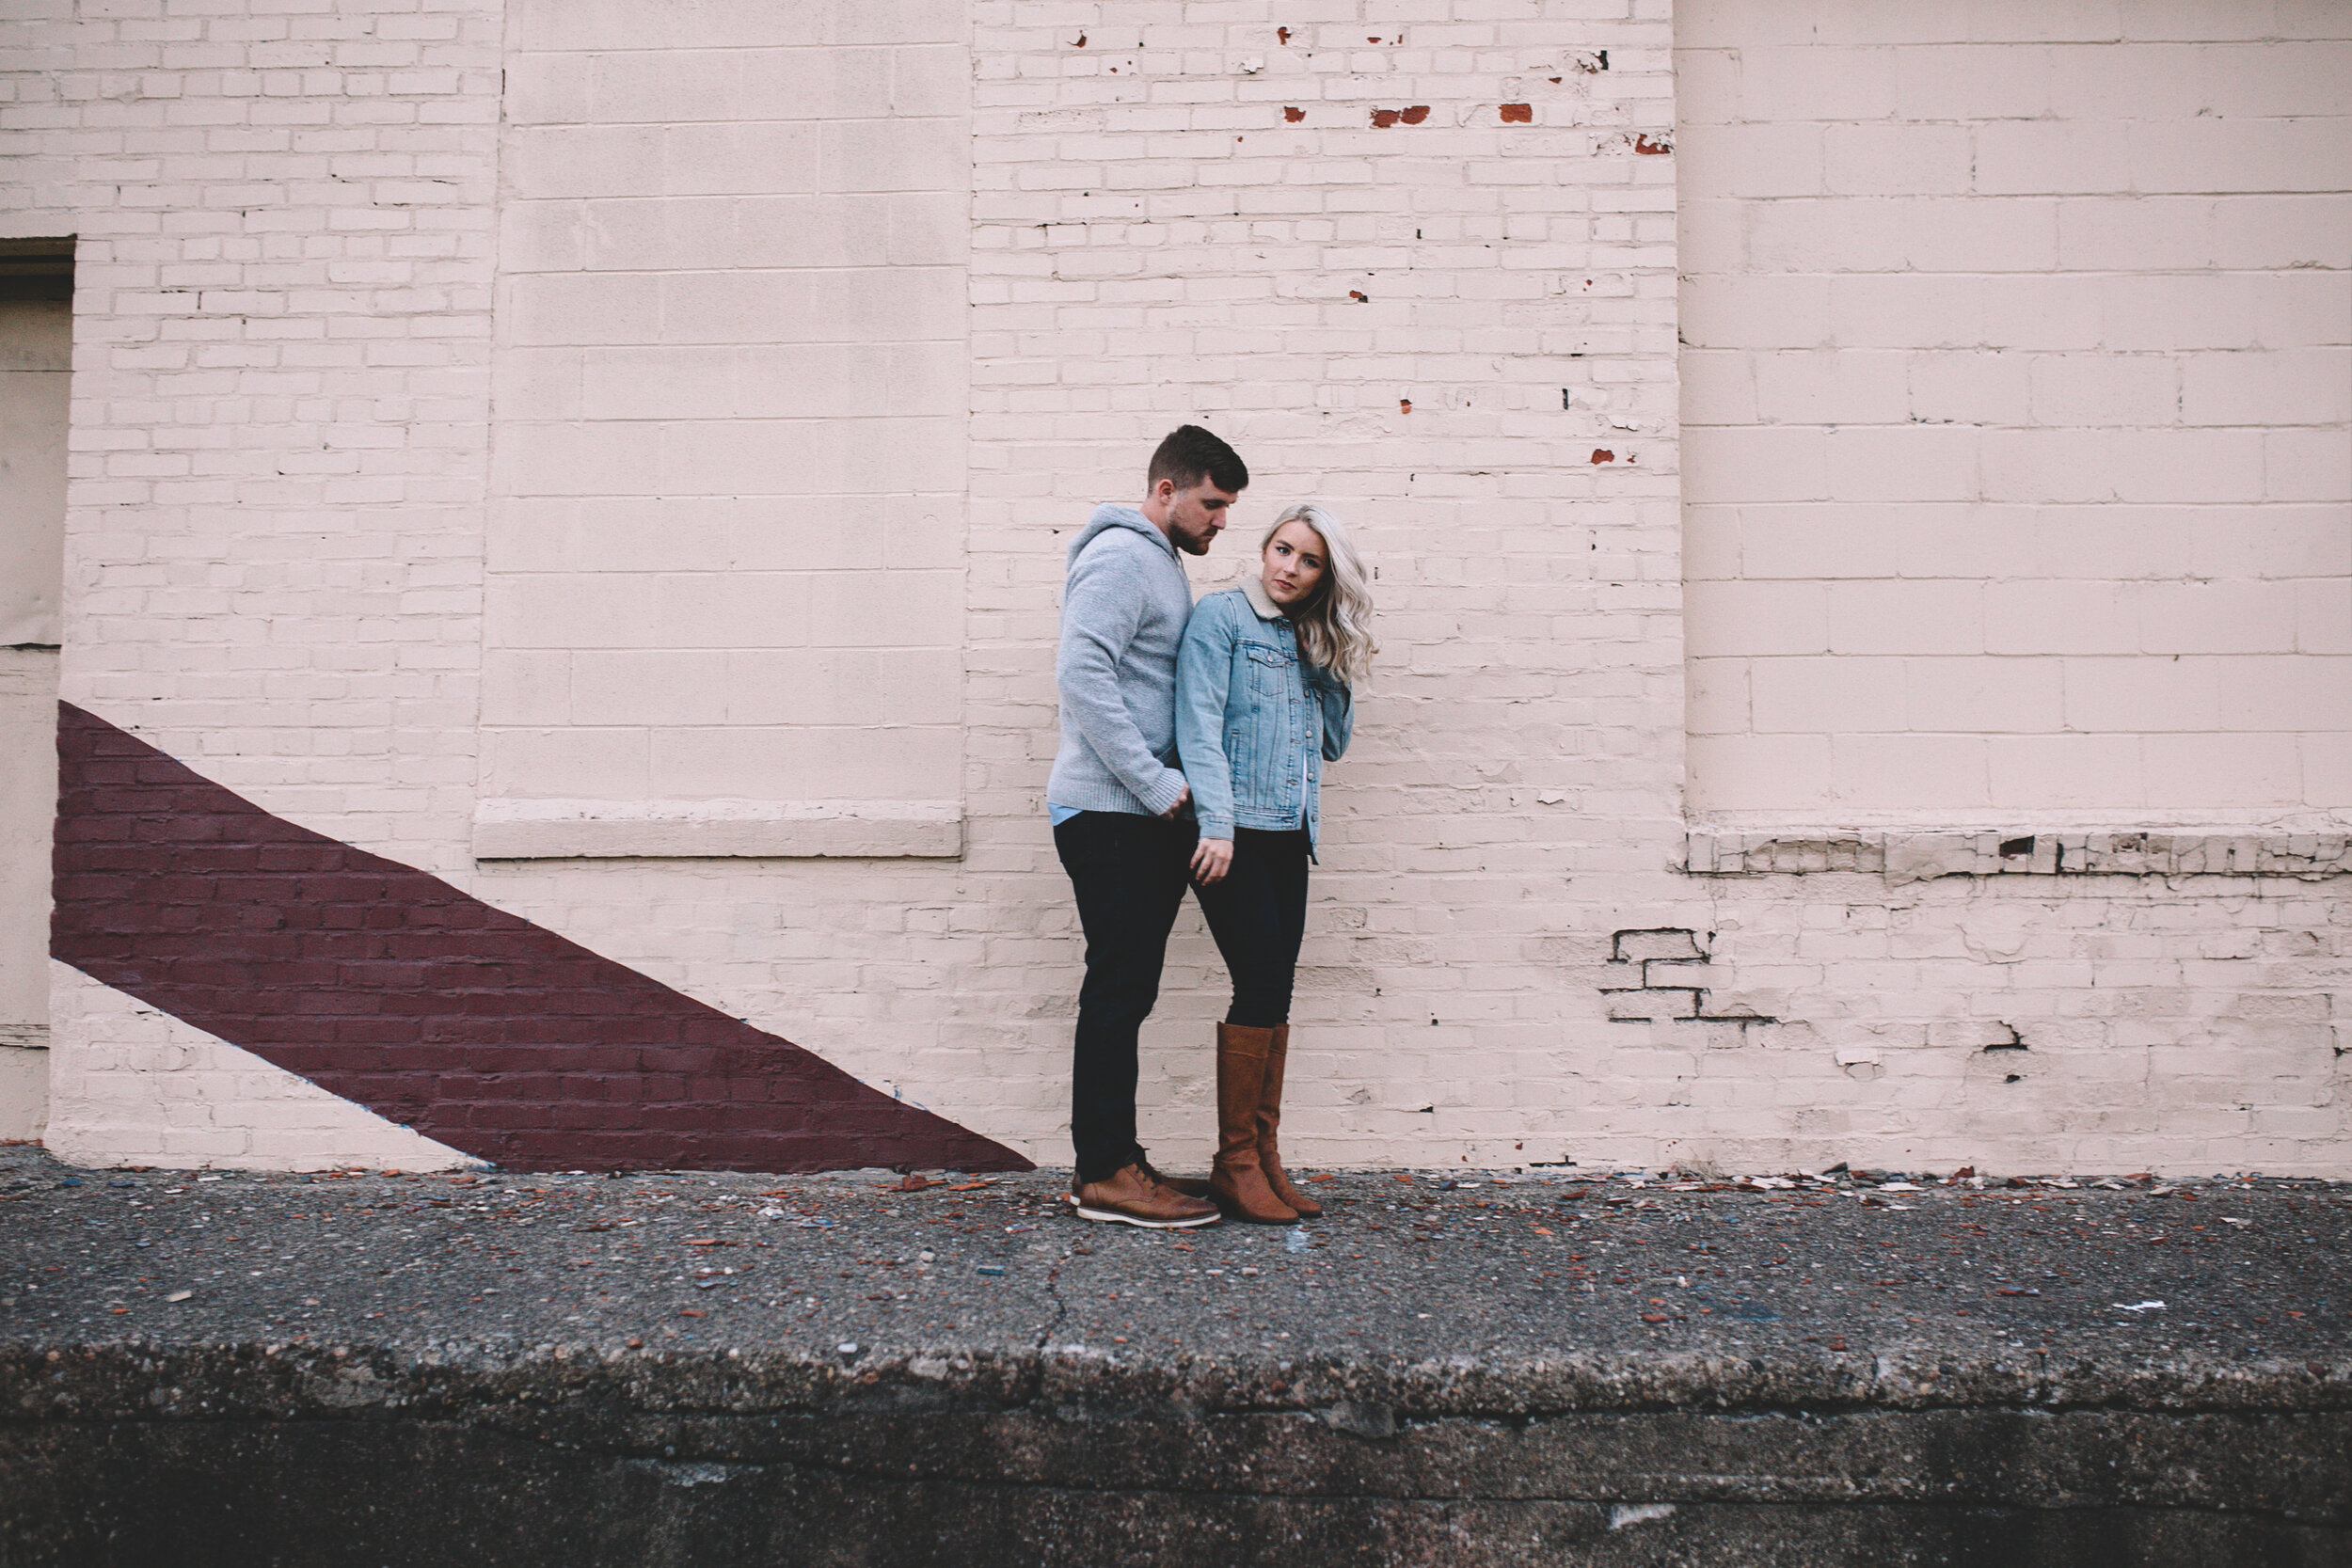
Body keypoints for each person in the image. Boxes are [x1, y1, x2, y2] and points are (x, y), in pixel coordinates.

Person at [1049, 425, 1248, 1227]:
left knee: (1128, 988)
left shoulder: (1156, 563)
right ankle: (1103, 1172)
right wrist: (1162, 786)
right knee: (1118, 989)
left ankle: (1118, 1157)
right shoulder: (1124, 557)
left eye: (1229, 507)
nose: (1222, 521)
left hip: (1131, 809)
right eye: (1212, 503)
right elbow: (1081, 674)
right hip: (1110, 810)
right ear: (1166, 491)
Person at [1173, 503, 1374, 1223]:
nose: (1289, 568)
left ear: (1326, 575)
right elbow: (1195, 723)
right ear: (1264, 549)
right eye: (1283, 550)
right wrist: (1216, 825)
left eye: (1309, 560)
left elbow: (1334, 745)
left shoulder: (1307, 634)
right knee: (1257, 982)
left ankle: (1262, 1156)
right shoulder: (1222, 618)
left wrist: (1332, 658)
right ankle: (1234, 1163)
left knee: (1275, 991)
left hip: (1290, 832)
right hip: (1233, 834)